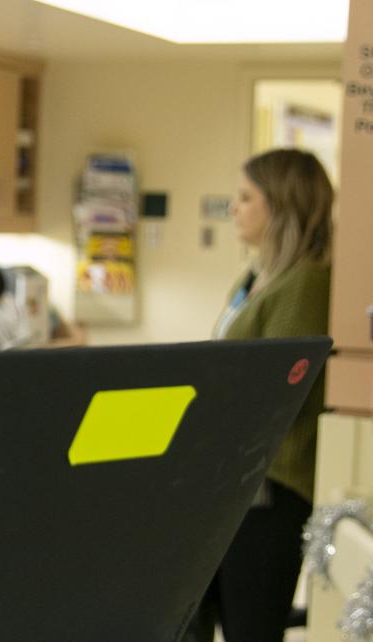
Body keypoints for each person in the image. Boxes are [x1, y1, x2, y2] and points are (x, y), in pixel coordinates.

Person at [184, 148, 334, 642]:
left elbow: (279, 388)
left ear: (282, 207)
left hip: (270, 493)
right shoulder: (255, 278)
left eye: (247, 197)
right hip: (232, 485)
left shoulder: (305, 283)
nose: (234, 207)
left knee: (250, 628)